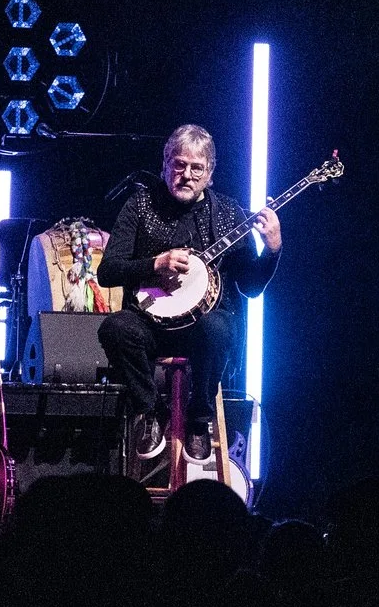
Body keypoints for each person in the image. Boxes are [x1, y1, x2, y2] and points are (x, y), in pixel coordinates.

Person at [95, 124, 282, 459]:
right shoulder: (140, 206)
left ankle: (199, 420)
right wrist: (154, 264)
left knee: (219, 326)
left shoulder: (227, 214)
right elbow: (108, 272)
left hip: (202, 330)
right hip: (149, 325)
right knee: (115, 327)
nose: (186, 175)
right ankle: (151, 412)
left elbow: (251, 287)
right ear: (165, 165)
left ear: (209, 173)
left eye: (197, 168)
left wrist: (272, 250)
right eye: (179, 165)